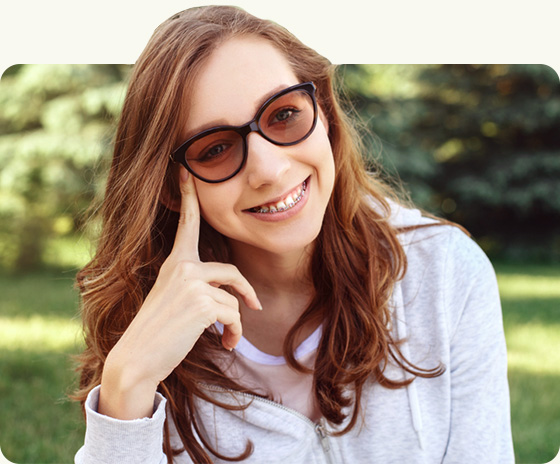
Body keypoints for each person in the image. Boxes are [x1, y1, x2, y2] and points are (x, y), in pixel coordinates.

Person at [73, 5, 514, 463]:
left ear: (323, 112)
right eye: (216, 148)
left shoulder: (444, 270)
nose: (269, 169)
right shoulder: (153, 324)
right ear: (169, 187)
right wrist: (125, 388)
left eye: (284, 114)